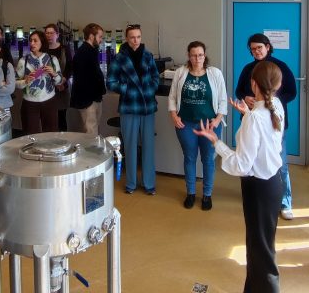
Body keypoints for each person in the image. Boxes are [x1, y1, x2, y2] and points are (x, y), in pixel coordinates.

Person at [195, 61, 285, 293]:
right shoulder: (276, 104)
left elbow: (241, 165)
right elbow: (264, 132)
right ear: (277, 85)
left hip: (258, 189)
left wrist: (216, 142)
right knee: (261, 247)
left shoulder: (255, 118)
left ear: (253, 84)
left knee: (261, 252)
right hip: (273, 184)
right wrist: (248, 114)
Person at [235, 33, 298, 219]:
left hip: (273, 122)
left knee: (280, 164)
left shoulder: (280, 67)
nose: (256, 52)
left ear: (268, 47)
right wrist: (246, 97)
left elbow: (291, 92)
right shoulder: (248, 68)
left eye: (259, 48)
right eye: (252, 49)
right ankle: (260, 196)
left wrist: (270, 100)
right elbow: (239, 90)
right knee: (253, 161)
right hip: (252, 119)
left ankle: (285, 202)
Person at [168, 41, 227, 210]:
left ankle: (207, 195)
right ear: (189, 56)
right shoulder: (181, 72)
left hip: (210, 125)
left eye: (200, 55)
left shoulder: (215, 73)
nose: (197, 58)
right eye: (193, 55)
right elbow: (172, 97)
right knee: (189, 157)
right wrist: (173, 115)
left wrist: (217, 120)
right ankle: (191, 193)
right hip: (185, 124)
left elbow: (223, 99)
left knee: (208, 159)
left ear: (204, 55)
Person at [107, 24, 160, 195]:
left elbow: (155, 78)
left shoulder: (148, 56)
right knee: (129, 146)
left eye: (138, 37)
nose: (135, 40)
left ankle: (149, 183)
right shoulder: (118, 58)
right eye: (132, 37)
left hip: (147, 107)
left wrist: (148, 89)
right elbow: (111, 82)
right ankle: (131, 183)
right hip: (129, 106)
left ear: (141, 37)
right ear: (127, 38)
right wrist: (128, 89)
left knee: (148, 146)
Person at [15, 30, 64, 134]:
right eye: (30, 41)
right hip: (29, 103)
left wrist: (54, 74)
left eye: (35, 41)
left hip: (49, 101)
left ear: (42, 42)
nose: (32, 43)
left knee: (51, 133)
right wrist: (25, 81)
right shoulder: (23, 61)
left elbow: (59, 81)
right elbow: (15, 83)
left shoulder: (52, 59)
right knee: (30, 134)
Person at [70, 23, 106, 135]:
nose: (101, 40)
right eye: (100, 37)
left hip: (94, 98)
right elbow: (81, 80)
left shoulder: (92, 51)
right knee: (90, 132)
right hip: (87, 100)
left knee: (93, 130)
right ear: (91, 36)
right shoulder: (82, 53)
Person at [44, 23, 72, 131]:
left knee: (61, 118)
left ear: (57, 34)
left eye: (51, 33)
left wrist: (63, 79)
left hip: (61, 87)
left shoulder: (64, 49)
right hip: (46, 88)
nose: (49, 35)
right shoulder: (42, 49)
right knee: (48, 118)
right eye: (47, 33)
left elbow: (70, 66)